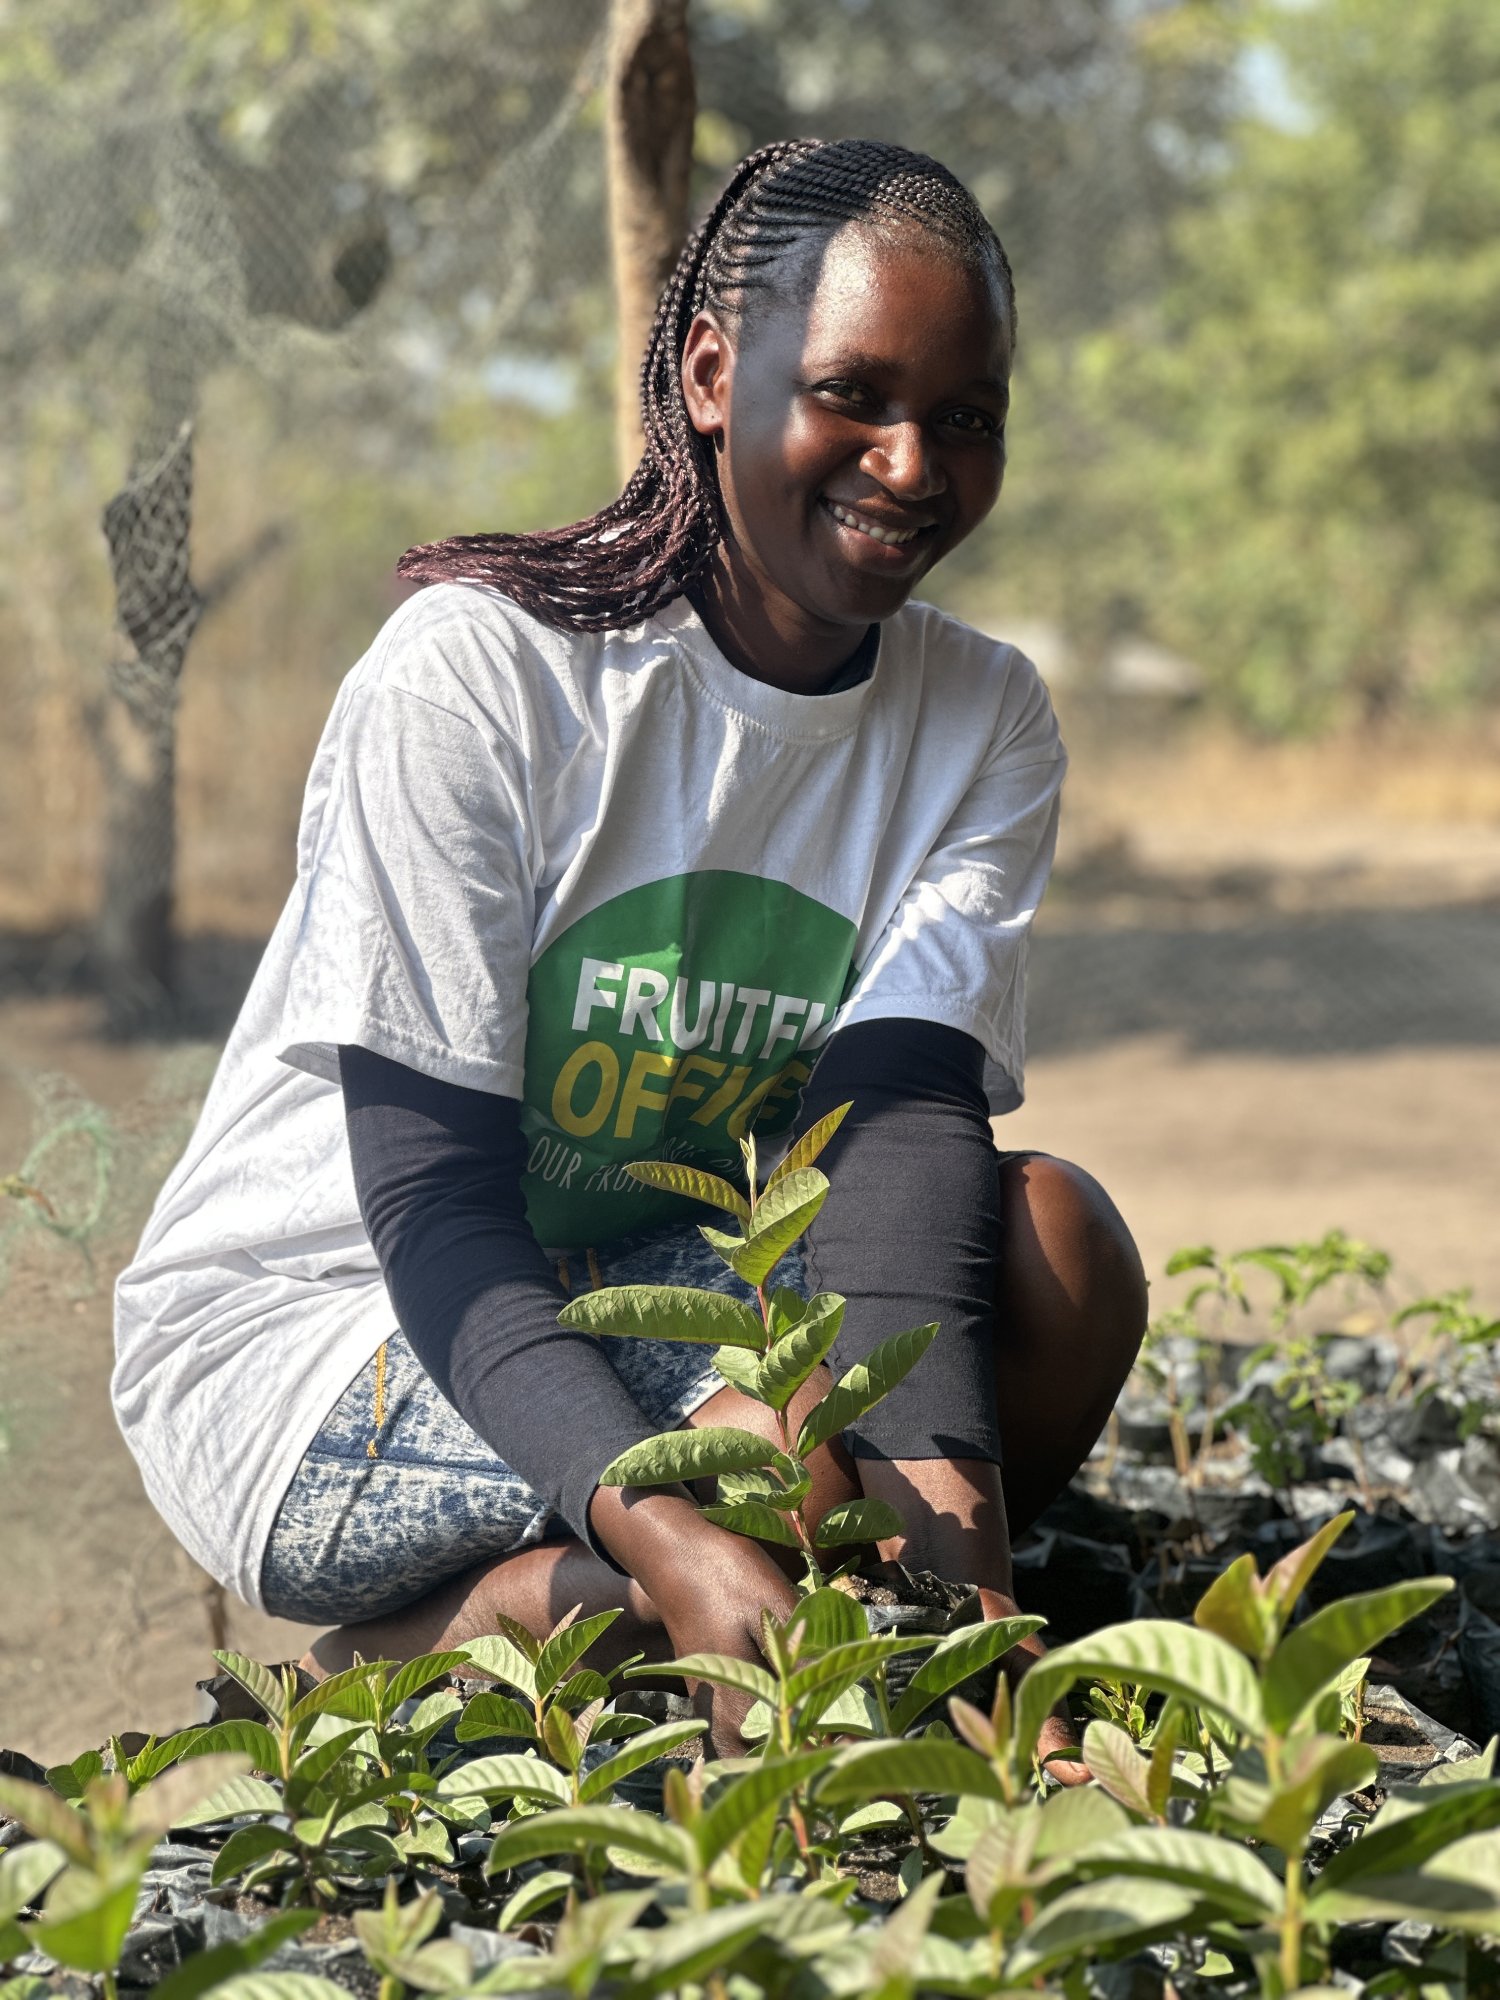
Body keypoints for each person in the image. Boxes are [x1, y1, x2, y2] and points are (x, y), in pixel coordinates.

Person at [112, 138, 1147, 1757]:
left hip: (627, 1284)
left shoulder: (980, 718)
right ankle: (453, 1647)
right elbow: (435, 1211)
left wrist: (975, 1634)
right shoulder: (485, 680)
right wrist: (673, 1532)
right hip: (322, 1337)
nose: (909, 465)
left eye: (966, 418)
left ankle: (547, 1620)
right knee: (779, 1463)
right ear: (717, 375)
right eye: (854, 396)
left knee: (1050, 1254)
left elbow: (897, 1156)